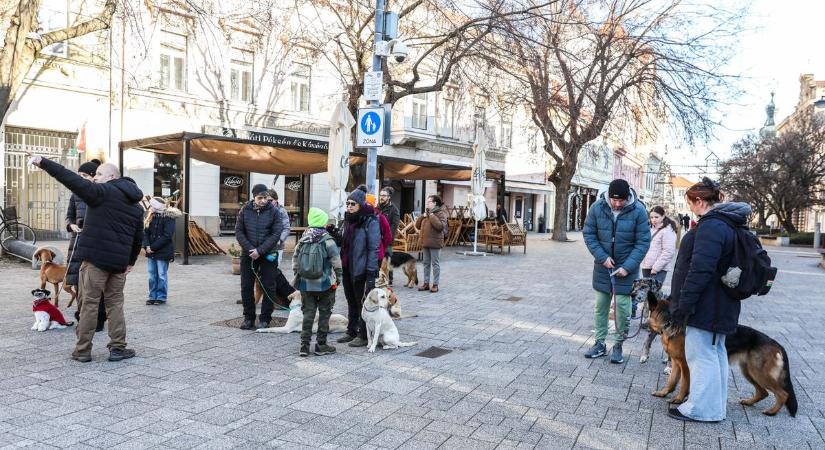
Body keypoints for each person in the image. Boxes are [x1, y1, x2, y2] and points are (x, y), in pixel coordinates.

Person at [29, 156, 144, 363]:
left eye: (99, 174)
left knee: (89, 304)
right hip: (119, 265)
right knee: (115, 305)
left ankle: (82, 351)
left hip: (95, 261)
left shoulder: (102, 192)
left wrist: (43, 162)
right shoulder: (136, 206)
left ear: (111, 176)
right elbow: (138, 238)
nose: (94, 178)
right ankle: (118, 348)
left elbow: (71, 179)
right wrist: (130, 262)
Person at [667, 178, 749, 422]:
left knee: (702, 355)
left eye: (691, 203)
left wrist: (684, 305)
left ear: (700, 201)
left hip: (707, 304)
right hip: (719, 303)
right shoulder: (726, 223)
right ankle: (715, 407)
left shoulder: (711, 226)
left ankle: (701, 409)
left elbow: (700, 270)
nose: (690, 208)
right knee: (715, 352)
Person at [582, 179, 650, 364]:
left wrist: (627, 267)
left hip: (626, 269)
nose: (617, 203)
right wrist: (602, 257)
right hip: (603, 267)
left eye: (621, 200)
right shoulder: (597, 208)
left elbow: (643, 242)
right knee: (600, 307)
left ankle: (618, 345)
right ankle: (599, 343)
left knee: (622, 308)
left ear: (627, 197)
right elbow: (589, 234)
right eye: (614, 200)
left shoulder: (639, 211)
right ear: (609, 196)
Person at [236, 184, 289, 330]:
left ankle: (265, 318)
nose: (263, 200)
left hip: (268, 253)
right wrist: (250, 249)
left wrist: (260, 251)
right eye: (260, 198)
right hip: (248, 253)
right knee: (246, 286)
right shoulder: (244, 210)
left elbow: (276, 233)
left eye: (265, 197)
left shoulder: (274, 211)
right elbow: (239, 231)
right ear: (254, 197)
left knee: (269, 286)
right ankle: (248, 318)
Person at [293, 208, 343, 357]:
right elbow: (336, 261)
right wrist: (339, 277)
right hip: (325, 284)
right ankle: (321, 345)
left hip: (305, 284)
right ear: (323, 222)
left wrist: (298, 276)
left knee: (308, 314)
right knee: (324, 313)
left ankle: (304, 346)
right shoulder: (327, 240)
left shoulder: (303, 240)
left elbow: (295, 261)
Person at [65, 159, 106, 332]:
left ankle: (99, 318)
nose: (80, 178)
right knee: (77, 281)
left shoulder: (101, 193)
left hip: (95, 243)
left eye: (84, 175)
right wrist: (71, 225)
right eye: (79, 175)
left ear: (93, 176)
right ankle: (82, 315)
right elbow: (69, 216)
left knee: (95, 283)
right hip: (77, 242)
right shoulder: (75, 193)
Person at [337, 188, 380, 347]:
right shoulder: (348, 220)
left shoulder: (370, 221)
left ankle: (363, 335)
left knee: (361, 302)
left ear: (360, 205)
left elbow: (373, 248)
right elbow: (344, 243)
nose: (349, 206)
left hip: (361, 269)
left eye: (352, 204)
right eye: (347, 203)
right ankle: (351, 330)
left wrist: (371, 272)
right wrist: (334, 234)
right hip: (347, 267)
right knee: (350, 300)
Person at [143, 197, 181, 305]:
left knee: (161, 275)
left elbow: (167, 236)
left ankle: (161, 297)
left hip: (162, 251)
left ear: (157, 207)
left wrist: (152, 248)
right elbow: (145, 233)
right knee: (151, 276)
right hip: (151, 251)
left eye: (152, 205)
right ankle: (152, 296)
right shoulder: (151, 216)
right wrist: (146, 246)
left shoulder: (169, 217)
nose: (150, 207)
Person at [416, 195, 449, 293]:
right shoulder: (426, 213)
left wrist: (431, 216)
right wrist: (422, 216)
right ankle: (426, 283)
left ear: (435, 203)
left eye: (429, 202)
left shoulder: (441, 213)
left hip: (435, 243)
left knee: (435, 264)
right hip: (425, 242)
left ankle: (435, 284)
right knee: (426, 263)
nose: (427, 204)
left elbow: (440, 226)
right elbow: (417, 226)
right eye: (427, 202)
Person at [641, 206, 677, 284]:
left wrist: (656, 268)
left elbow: (668, 252)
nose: (654, 220)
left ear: (663, 216)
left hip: (658, 269)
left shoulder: (667, 230)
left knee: (653, 291)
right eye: (651, 217)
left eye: (656, 217)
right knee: (646, 290)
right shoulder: (650, 229)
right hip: (647, 266)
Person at [378, 187, 401, 284]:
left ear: (389, 197)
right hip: (377, 238)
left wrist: (387, 238)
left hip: (387, 239)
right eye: (380, 195)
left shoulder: (394, 209)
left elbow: (394, 226)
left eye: (384, 195)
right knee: (379, 259)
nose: (381, 197)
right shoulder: (378, 207)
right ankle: (380, 276)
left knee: (388, 258)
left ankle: (390, 278)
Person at [266, 189, 291, 264]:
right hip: (264, 245)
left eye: (270, 200)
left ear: (276, 200)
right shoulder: (263, 210)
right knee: (264, 267)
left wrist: (280, 239)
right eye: (267, 200)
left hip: (277, 246)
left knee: (274, 265)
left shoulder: (282, 211)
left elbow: (286, 228)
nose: (268, 202)